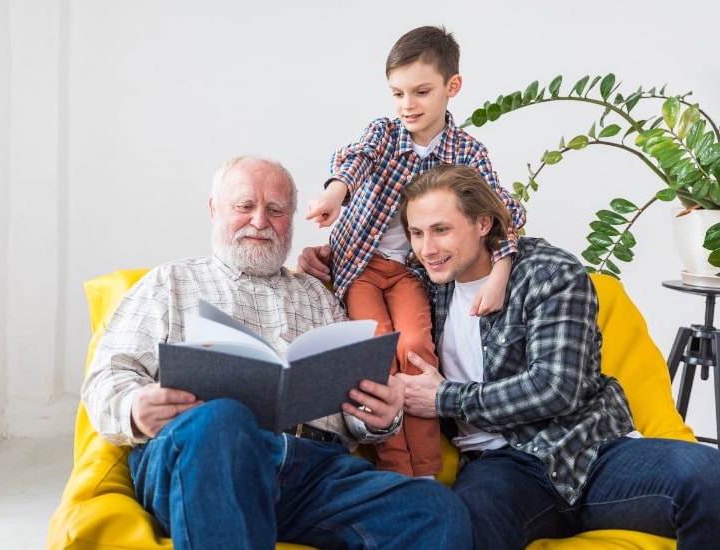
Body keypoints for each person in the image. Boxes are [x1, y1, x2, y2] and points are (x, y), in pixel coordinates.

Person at [81, 156, 471, 550]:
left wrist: (381, 417)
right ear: (214, 209)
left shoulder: (319, 296)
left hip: (313, 469)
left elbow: (356, 406)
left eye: (275, 210)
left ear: (291, 219)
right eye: (244, 206)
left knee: (436, 510)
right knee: (222, 417)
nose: (259, 221)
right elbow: (108, 375)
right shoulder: (170, 282)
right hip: (207, 458)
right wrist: (134, 407)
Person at [389, 163, 720, 549]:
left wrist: (444, 398)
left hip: (589, 450)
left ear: (482, 224)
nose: (428, 248)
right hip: (501, 468)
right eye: (417, 233)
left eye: (441, 230)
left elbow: (554, 388)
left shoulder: (550, 273)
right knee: (465, 527)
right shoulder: (420, 287)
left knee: (707, 474)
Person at [304, 25, 526, 478]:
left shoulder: (467, 152)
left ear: (452, 87)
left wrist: (501, 269)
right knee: (377, 351)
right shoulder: (385, 134)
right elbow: (356, 159)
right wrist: (334, 194)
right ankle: (395, 475)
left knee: (416, 351)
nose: (408, 105)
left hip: (410, 273)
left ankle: (425, 476)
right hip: (361, 268)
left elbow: (503, 212)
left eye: (421, 91)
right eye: (398, 93)